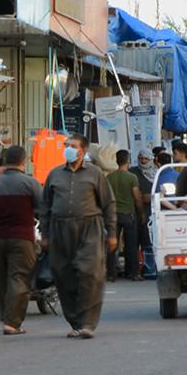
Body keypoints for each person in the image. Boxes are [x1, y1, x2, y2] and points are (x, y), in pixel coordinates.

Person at [40, 134, 117, 340]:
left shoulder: (95, 174)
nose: (68, 148)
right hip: (60, 229)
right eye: (66, 145)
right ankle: (75, 321)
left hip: (90, 227)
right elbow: (45, 206)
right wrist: (44, 234)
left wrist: (112, 234)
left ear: (83, 151)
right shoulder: (54, 174)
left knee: (89, 273)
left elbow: (109, 204)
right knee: (63, 275)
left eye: (72, 146)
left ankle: (88, 323)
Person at [0, 145, 42, 336]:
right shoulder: (31, 184)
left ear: (5, 161)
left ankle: (7, 316)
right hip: (22, 239)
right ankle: (12, 323)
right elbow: (43, 212)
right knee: (19, 278)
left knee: (3, 279)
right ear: (24, 161)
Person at [106, 150, 143, 282]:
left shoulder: (109, 177)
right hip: (129, 215)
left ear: (116, 160)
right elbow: (137, 197)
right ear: (128, 160)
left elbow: (106, 197)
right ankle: (133, 273)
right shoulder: (132, 177)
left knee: (111, 245)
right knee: (131, 245)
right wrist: (141, 212)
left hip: (113, 215)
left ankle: (110, 274)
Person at [129, 149, 156, 278]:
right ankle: (140, 269)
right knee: (139, 240)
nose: (143, 161)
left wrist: (151, 197)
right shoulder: (133, 172)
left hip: (152, 210)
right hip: (137, 210)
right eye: (141, 159)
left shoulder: (156, 173)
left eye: (146, 159)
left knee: (150, 240)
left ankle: (151, 269)